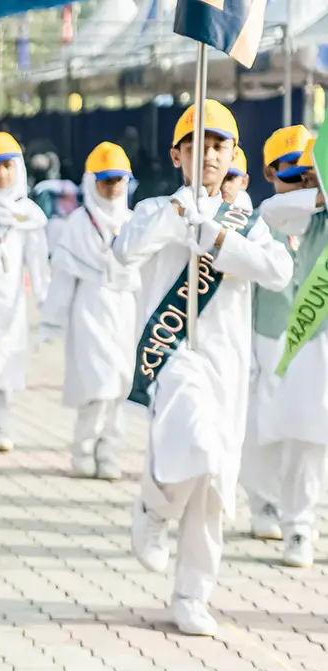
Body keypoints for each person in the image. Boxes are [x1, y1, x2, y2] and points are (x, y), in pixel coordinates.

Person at [117, 100, 292, 636]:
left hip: (226, 364)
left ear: (233, 155)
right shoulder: (156, 208)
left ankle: (192, 594)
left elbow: (278, 272)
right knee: (196, 443)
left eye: (219, 146)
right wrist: (179, 216)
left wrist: (217, 237)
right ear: (178, 155)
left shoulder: (247, 223)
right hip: (173, 354)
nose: (209, 155)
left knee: (215, 481)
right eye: (197, 145)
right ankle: (154, 508)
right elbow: (125, 251)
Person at [39, 142, 139, 481]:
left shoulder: (133, 222)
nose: (112, 187)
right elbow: (63, 279)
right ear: (90, 182)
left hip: (125, 312)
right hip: (89, 312)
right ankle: (83, 452)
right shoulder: (78, 223)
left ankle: (109, 453)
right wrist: (51, 323)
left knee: (119, 390)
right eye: (105, 180)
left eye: (118, 180)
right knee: (96, 388)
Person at [256, 135, 328, 568]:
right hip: (312, 341)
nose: (304, 181)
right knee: (305, 438)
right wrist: (319, 193)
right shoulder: (314, 215)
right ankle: (298, 527)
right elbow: (272, 210)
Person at [243, 125, 313, 543]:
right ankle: (264, 503)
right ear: (270, 173)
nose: (301, 180)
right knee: (267, 425)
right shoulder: (259, 223)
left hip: (314, 340)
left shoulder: (320, 218)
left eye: (307, 171)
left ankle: (300, 516)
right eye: (290, 171)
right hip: (269, 337)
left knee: (308, 430)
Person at [0, 132, 48, 453]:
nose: (1, 174)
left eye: (7, 166)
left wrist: (44, 299)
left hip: (11, 306)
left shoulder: (29, 215)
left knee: (3, 363)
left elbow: (38, 261)